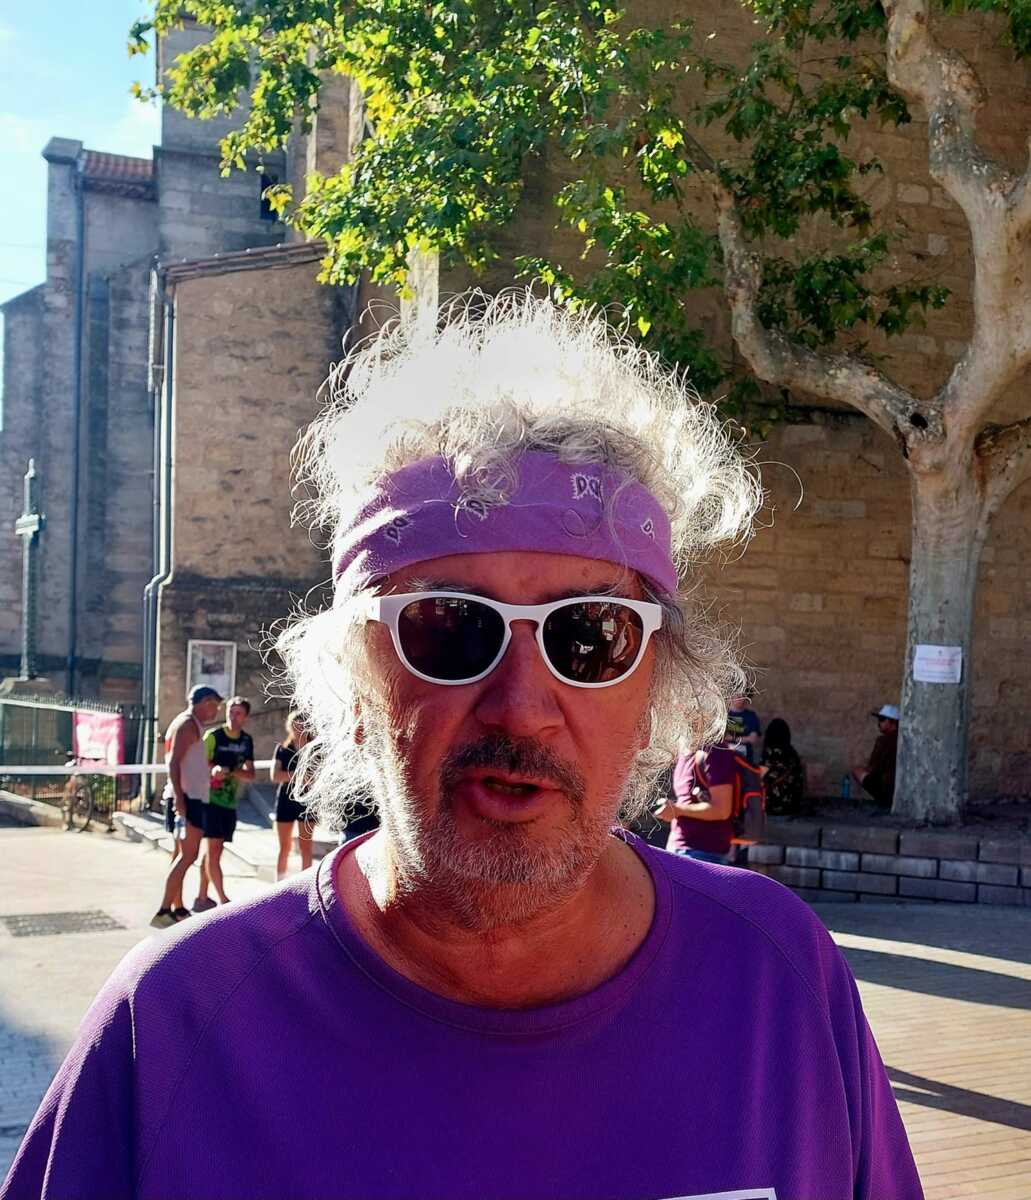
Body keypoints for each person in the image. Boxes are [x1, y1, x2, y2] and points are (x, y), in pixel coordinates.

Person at [2, 295, 921, 1200]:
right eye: (447, 628)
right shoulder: (174, 1028)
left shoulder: (778, 978)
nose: (520, 709)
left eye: (588, 637)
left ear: (652, 692)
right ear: (352, 685)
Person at [148, 686, 222, 928]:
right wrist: (180, 800)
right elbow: (173, 763)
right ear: (205, 702)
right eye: (215, 705)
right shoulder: (187, 725)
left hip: (188, 796)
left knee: (181, 855)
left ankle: (177, 908)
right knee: (188, 855)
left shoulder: (188, 724)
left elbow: (186, 762)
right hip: (188, 799)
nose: (216, 710)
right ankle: (164, 911)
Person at [191, 696, 255, 910]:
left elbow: (250, 775)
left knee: (213, 851)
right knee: (214, 849)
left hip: (229, 803)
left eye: (238, 713)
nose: (233, 716)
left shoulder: (246, 741)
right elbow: (196, 766)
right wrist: (213, 770)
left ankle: (202, 898)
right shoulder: (214, 737)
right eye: (230, 711)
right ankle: (224, 901)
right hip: (209, 800)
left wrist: (230, 771)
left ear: (245, 717)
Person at [653, 736, 738, 864]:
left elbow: (721, 810)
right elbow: (684, 801)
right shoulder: (684, 753)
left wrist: (677, 810)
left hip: (704, 854)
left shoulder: (716, 751)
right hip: (677, 849)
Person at [271, 709, 317, 880]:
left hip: (307, 801)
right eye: (295, 726)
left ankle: (304, 885)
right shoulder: (282, 749)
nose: (298, 730)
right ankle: (279, 883)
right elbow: (275, 776)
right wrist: (298, 776)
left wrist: (300, 777)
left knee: (306, 847)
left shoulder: (316, 750)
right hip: (285, 799)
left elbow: (317, 778)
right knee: (285, 847)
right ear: (289, 727)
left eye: (302, 726)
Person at [851, 703, 900, 809]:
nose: (879, 723)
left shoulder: (883, 741)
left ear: (892, 722)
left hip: (887, 789)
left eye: (882, 719)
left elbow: (873, 768)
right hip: (899, 788)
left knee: (857, 771)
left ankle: (879, 802)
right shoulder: (901, 739)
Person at [762, 717, 807, 816]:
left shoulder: (771, 752)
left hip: (774, 804)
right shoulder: (791, 752)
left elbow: (762, 776)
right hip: (793, 805)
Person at [725, 689, 762, 763]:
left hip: (745, 758)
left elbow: (753, 739)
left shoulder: (750, 716)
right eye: (738, 696)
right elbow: (720, 738)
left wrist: (732, 738)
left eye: (743, 696)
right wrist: (743, 739)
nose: (741, 699)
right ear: (731, 697)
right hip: (725, 755)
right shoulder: (724, 715)